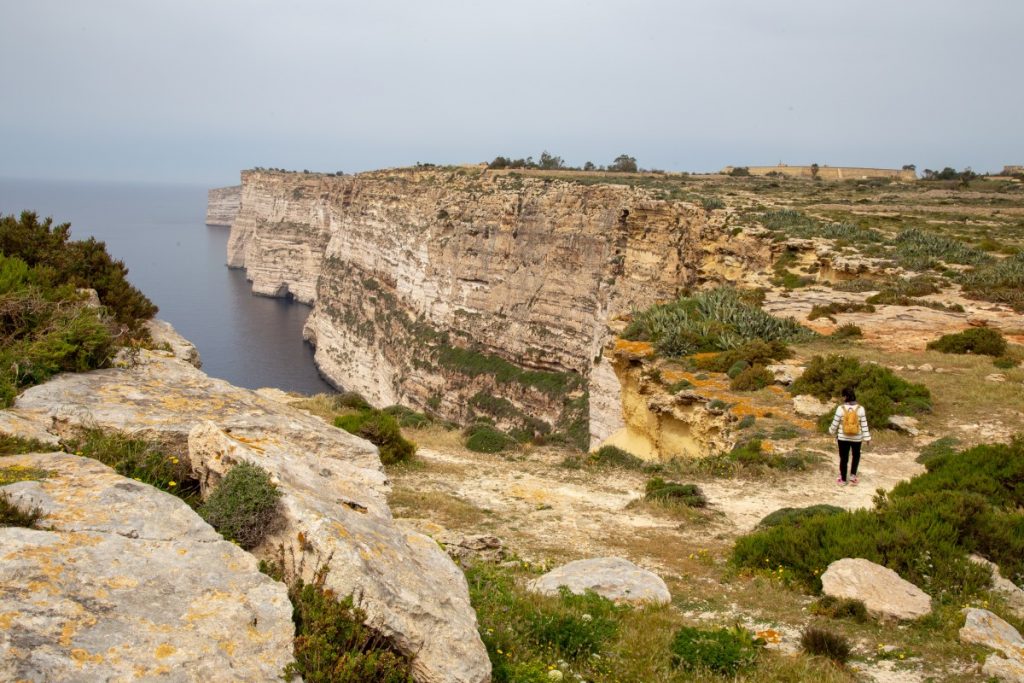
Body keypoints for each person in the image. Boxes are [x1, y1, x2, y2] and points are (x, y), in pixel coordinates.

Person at [827, 387, 870, 486]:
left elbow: (835, 423)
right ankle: (853, 476)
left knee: (844, 458)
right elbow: (864, 424)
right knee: (856, 456)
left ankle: (842, 479)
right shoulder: (861, 409)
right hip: (857, 438)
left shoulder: (840, 408)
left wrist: (831, 431)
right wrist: (867, 437)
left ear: (845, 396)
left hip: (843, 438)